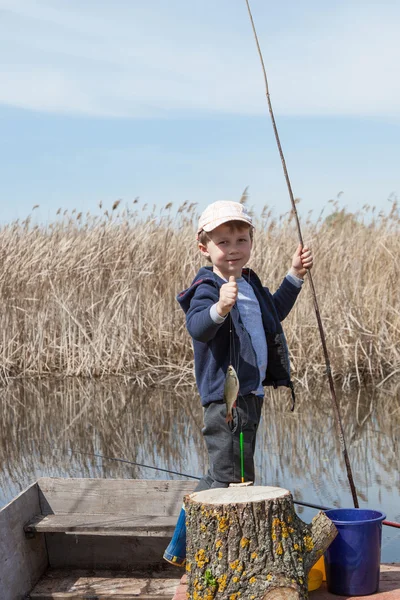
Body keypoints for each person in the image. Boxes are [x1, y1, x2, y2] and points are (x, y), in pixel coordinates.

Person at [163, 200, 313, 566]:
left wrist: (294, 275)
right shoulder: (206, 285)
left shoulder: (252, 282)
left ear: (251, 243)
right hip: (225, 398)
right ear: (205, 248)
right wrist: (220, 308)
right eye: (223, 242)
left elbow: (274, 313)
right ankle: (187, 548)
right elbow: (197, 326)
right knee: (228, 476)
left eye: (241, 240)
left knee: (230, 473)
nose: (233, 249)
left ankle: (207, 548)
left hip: (251, 395)